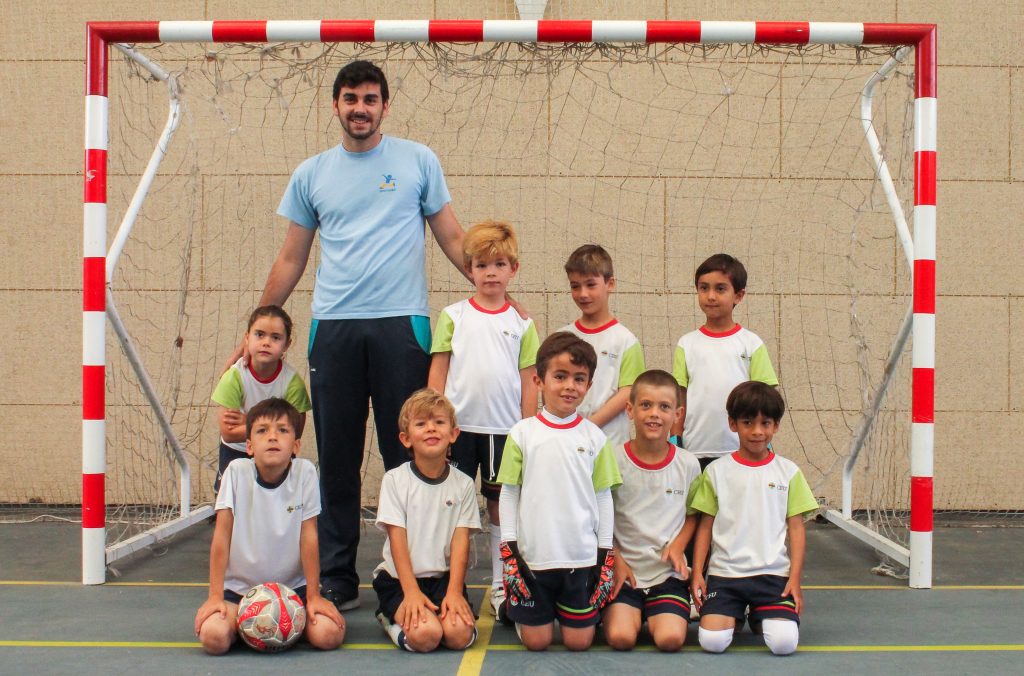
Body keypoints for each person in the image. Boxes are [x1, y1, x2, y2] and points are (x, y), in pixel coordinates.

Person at [227, 59, 470, 611]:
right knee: (336, 455)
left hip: (401, 326)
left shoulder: (418, 162)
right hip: (333, 329)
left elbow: (454, 238)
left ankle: (415, 569)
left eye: (370, 98)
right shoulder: (311, 173)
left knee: (406, 454)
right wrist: (258, 323)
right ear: (335, 106)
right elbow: (292, 256)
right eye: (350, 98)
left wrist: (496, 297)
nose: (360, 108)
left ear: (385, 106)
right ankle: (337, 574)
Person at [427, 219, 539, 617]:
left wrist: (528, 432)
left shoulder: (523, 323)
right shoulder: (453, 315)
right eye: (482, 265)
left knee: (498, 508)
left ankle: (501, 587)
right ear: (469, 269)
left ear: (514, 269)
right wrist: (437, 423)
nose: (491, 272)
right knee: (450, 504)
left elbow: (530, 382)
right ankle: (445, 587)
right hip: (459, 430)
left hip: (503, 433)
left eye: (500, 264)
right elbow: (438, 373)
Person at [495, 331, 623, 651]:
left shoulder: (595, 437)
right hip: (532, 558)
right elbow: (510, 492)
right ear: (538, 380)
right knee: (537, 643)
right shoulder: (522, 433)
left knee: (578, 643)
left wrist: (604, 553)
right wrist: (510, 547)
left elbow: (603, 496)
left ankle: (554, 611)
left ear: (589, 386)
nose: (569, 386)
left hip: (580, 558)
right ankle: (529, 614)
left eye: (579, 379)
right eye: (560, 376)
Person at [193, 398, 345, 655]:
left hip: (291, 592)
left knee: (329, 635)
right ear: (249, 446)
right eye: (263, 431)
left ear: (295, 445)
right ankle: (251, 624)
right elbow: (221, 536)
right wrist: (215, 596)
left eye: (283, 430)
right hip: (239, 592)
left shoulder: (305, 473)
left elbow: (309, 537)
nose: (272, 437)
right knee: (213, 638)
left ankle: (274, 625)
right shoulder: (236, 472)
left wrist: (313, 595)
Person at [688, 382, 818, 656]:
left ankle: (760, 614)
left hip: (773, 577)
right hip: (725, 576)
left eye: (765, 423)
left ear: (776, 426)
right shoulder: (716, 472)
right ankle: (734, 614)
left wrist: (794, 579)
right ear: (733, 424)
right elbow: (705, 527)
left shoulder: (789, 472)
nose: (757, 431)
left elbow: (796, 529)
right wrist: (698, 572)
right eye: (748, 422)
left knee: (784, 644)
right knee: (712, 642)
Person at [371, 389, 480, 652]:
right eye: (421, 423)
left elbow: (460, 542)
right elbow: (397, 540)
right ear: (406, 439)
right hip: (400, 580)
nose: (431, 428)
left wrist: (454, 591)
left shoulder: (463, 484)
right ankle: (388, 617)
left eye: (439, 422)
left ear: (453, 434)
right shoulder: (395, 481)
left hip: (442, 580)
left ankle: (441, 613)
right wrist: (409, 592)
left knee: (458, 636)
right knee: (427, 637)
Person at [602, 369, 702, 652]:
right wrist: (615, 558)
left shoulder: (688, 464)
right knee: (621, 638)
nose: (654, 414)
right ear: (630, 410)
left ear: (677, 414)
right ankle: (628, 611)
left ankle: (667, 608)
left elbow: (694, 514)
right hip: (625, 570)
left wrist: (679, 545)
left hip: (666, 574)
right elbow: (598, 516)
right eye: (646, 405)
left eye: (664, 407)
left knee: (669, 640)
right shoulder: (613, 460)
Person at [671, 253, 779, 469]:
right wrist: (676, 439)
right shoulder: (687, 343)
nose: (711, 296)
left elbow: (765, 398)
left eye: (720, 289)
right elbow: (678, 399)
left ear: (738, 295)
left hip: (740, 450)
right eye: (704, 288)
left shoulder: (751, 343)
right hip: (695, 450)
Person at [211, 305, 310, 493]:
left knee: (278, 503)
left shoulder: (293, 383)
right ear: (247, 338)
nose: (266, 342)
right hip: (237, 451)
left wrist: (249, 422)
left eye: (275, 337)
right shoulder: (234, 377)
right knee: (231, 506)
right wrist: (270, 426)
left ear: (287, 344)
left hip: (276, 452)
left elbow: (295, 431)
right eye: (259, 334)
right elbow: (229, 433)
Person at [560, 244, 645, 447]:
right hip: (567, 441)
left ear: (610, 283)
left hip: (610, 444)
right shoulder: (562, 337)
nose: (583, 294)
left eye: (591, 285)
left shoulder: (625, 340)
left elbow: (628, 391)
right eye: (575, 286)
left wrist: (589, 425)